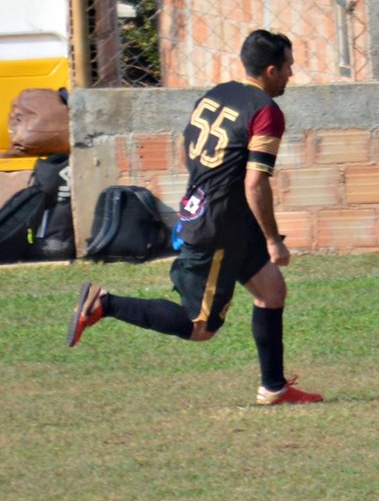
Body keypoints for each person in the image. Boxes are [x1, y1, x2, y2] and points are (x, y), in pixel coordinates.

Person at [67, 29, 323, 405]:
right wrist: (272, 239)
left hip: (221, 216)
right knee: (200, 327)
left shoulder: (216, 94)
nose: (291, 75)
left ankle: (274, 388)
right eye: (288, 67)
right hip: (220, 227)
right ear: (271, 70)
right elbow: (255, 183)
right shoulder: (266, 111)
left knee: (271, 292)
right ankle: (105, 303)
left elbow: (188, 149)